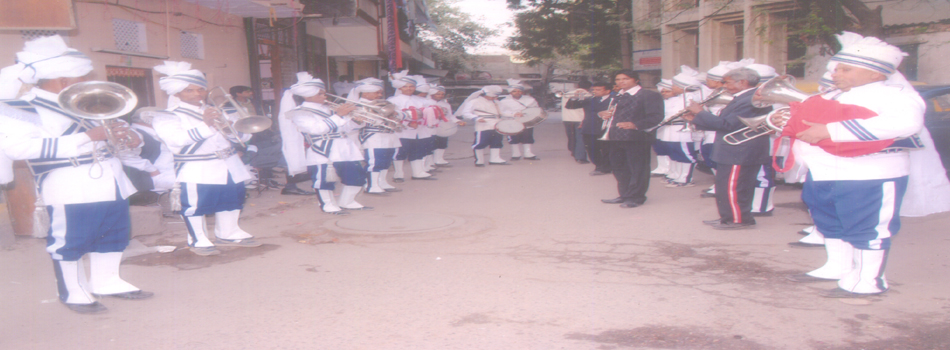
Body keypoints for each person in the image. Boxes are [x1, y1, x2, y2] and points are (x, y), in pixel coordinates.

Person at [0, 35, 153, 314]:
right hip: (69, 184)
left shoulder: (89, 101)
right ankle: (72, 292)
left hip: (112, 180)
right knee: (72, 239)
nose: (86, 80)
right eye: (81, 76)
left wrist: (131, 139)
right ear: (63, 80)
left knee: (113, 235)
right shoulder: (23, 107)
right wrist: (85, 137)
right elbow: (19, 148)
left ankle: (107, 282)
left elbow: (113, 135)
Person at [784, 32, 926, 298]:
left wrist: (830, 131)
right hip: (825, 171)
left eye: (845, 69)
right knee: (830, 220)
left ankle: (868, 279)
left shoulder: (894, 95)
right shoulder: (835, 95)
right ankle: (837, 266)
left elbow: (907, 124)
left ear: (875, 73)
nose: (835, 73)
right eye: (837, 68)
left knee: (867, 225)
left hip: (869, 173)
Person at [152, 61, 262, 256]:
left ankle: (228, 232)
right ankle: (197, 238)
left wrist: (229, 127)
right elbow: (176, 141)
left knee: (232, 199)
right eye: (189, 91)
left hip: (228, 163)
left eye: (200, 89)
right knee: (196, 204)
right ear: (176, 93)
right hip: (197, 167)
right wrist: (207, 125)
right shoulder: (167, 116)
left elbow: (243, 137)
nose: (197, 94)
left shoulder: (219, 110)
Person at [683, 67, 772, 229]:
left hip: (740, 151)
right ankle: (728, 217)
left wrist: (701, 112)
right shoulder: (743, 97)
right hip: (734, 150)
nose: (723, 85)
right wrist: (697, 118)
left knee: (734, 188)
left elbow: (728, 125)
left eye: (727, 82)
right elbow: (726, 124)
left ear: (743, 82)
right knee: (726, 187)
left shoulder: (751, 99)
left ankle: (739, 219)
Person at [279, 72, 369, 214]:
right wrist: (339, 115)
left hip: (345, 148)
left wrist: (356, 121)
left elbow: (344, 128)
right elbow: (316, 129)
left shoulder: (329, 108)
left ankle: (347, 201)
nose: (325, 96)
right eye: (321, 94)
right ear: (308, 96)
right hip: (322, 149)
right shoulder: (299, 112)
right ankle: (327, 205)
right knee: (324, 180)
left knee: (357, 175)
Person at [600, 70, 664, 208]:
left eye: (625, 79)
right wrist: (603, 114)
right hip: (616, 136)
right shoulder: (618, 96)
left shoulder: (648, 95)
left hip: (636, 137)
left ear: (636, 80)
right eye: (618, 79)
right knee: (619, 167)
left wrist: (636, 125)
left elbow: (656, 116)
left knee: (638, 168)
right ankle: (624, 195)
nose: (621, 82)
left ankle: (636, 197)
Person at [347, 77, 402, 194]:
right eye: (377, 92)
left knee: (386, 160)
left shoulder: (383, 103)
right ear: (366, 92)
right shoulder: (358, 105)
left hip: (388, 135)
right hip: (373, 136)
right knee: (375, 161)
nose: (380, 94)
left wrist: (395, 115)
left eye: (380, 92)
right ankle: (371, 185)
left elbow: (399, 113)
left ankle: (382, 182)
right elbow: (358, 121)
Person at [661, 66, 705, 188]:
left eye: (675, 85)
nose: (672, 87)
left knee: (685, 154)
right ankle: (676, 175)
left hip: (683, 130)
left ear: (683, 86)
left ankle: (686, 178)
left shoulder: (692, 98)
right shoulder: (677, 98)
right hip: (672, 129)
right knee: (674, 153)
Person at [388, 71, 435, 180]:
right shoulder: (393, 100)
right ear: (400, 88)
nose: (409, 89)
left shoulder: (421, 100)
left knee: (418, 151)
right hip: (402, 132)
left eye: (411, 86)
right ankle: (398, 174)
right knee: (400, 153)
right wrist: (408, 123)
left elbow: (426, 114)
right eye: (405, 86)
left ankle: (418, 173)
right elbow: (391, 115)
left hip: (419, 131)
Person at [456, 86, 510, 166]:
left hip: (497, 123)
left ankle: (495, 159)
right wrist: (476, 118)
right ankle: (479, 160)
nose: (496, 97)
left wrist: (513, 114)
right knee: (481, 143)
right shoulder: (474, 101)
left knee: (497, 141)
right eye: (494, 95)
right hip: (483, 125)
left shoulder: (496, 102)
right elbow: (466, 113)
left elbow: (502, 112)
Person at [578, 81, 615, 175]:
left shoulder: (614, 100)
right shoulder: (589, 99)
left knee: (607, 149)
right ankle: (599, 165)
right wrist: (579, 96)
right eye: (593, 89)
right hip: (589, 127)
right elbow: (571, 106)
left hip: (606, 128)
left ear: (608, 91)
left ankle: (605, 167)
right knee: (591, 149)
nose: (595, 91)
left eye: (598, 90)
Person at [499, 79, 541, 160]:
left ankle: (528, 153)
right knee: (514, 138)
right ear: (510, 92)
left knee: (527, 137)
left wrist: (525, 114)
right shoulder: (504, 101)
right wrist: (513, 114)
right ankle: (516, 154)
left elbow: (535, 109)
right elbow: (502, 112)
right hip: (511, 121)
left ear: (522, 92)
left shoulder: (530, 100)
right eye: (514, 91)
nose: (517, 93)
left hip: (526, 121)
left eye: (519, 91)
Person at [426, 85, 464, 166]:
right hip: (430, 127)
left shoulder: (446, 104)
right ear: (432, 94)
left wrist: (457, 121)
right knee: (431, 144)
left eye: (442, 94)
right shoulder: (426, 103)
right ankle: (429, 162)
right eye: (438, 94)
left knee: (442, 143)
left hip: (443, 127)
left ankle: (439, 159)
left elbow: (450, 116)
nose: (440, 96)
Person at [561, 81, 590, 163]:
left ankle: (574, 152)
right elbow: (580, 105)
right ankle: (580, 157)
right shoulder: (584, 93)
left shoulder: (567, 94)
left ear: (577, 85)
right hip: (579, 119)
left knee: (571, 137)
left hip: (567, 119)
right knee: (580, 138)